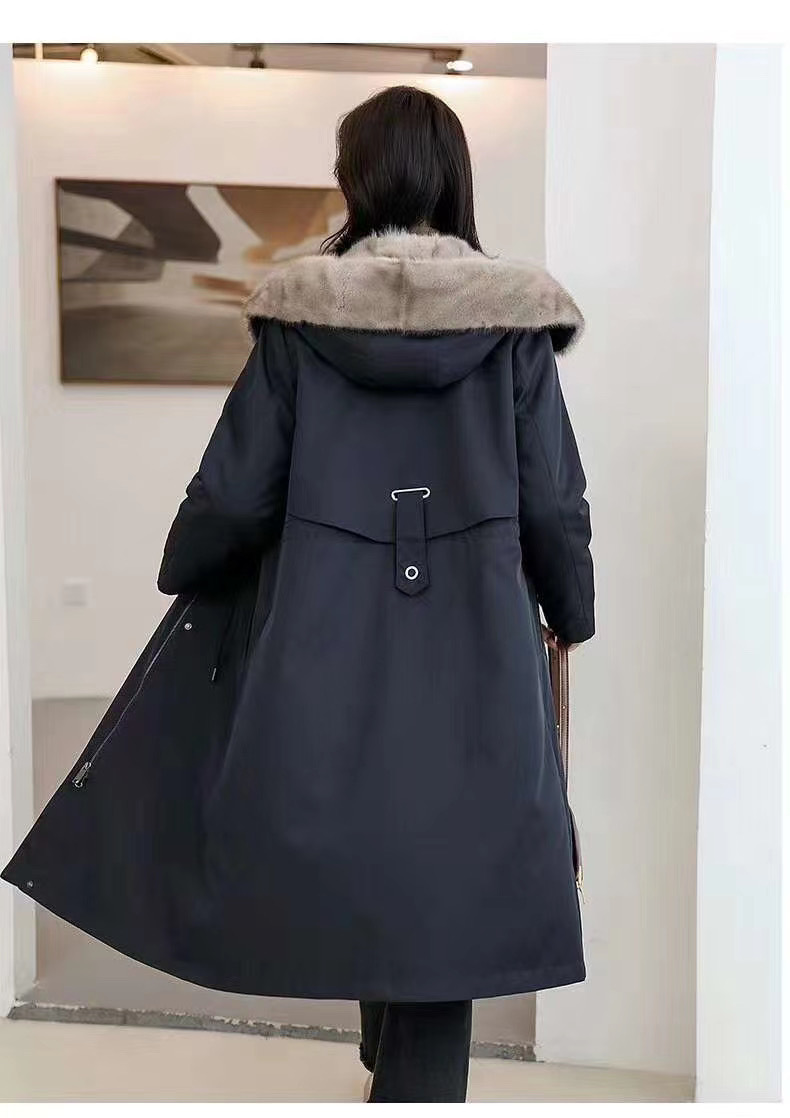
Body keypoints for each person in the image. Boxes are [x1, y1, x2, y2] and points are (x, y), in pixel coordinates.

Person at [2, 84, 594, 1104]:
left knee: (362, 823)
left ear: (355, 180)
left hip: (321, 630)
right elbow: (552, 500)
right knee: (444, 858)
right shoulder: (514, 324)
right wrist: (571, 611)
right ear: (455, 178)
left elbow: (234, 491)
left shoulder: (298, 318)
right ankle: (411, 1084)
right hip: (477, 644)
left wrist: (188, 567)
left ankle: (387, 1063)